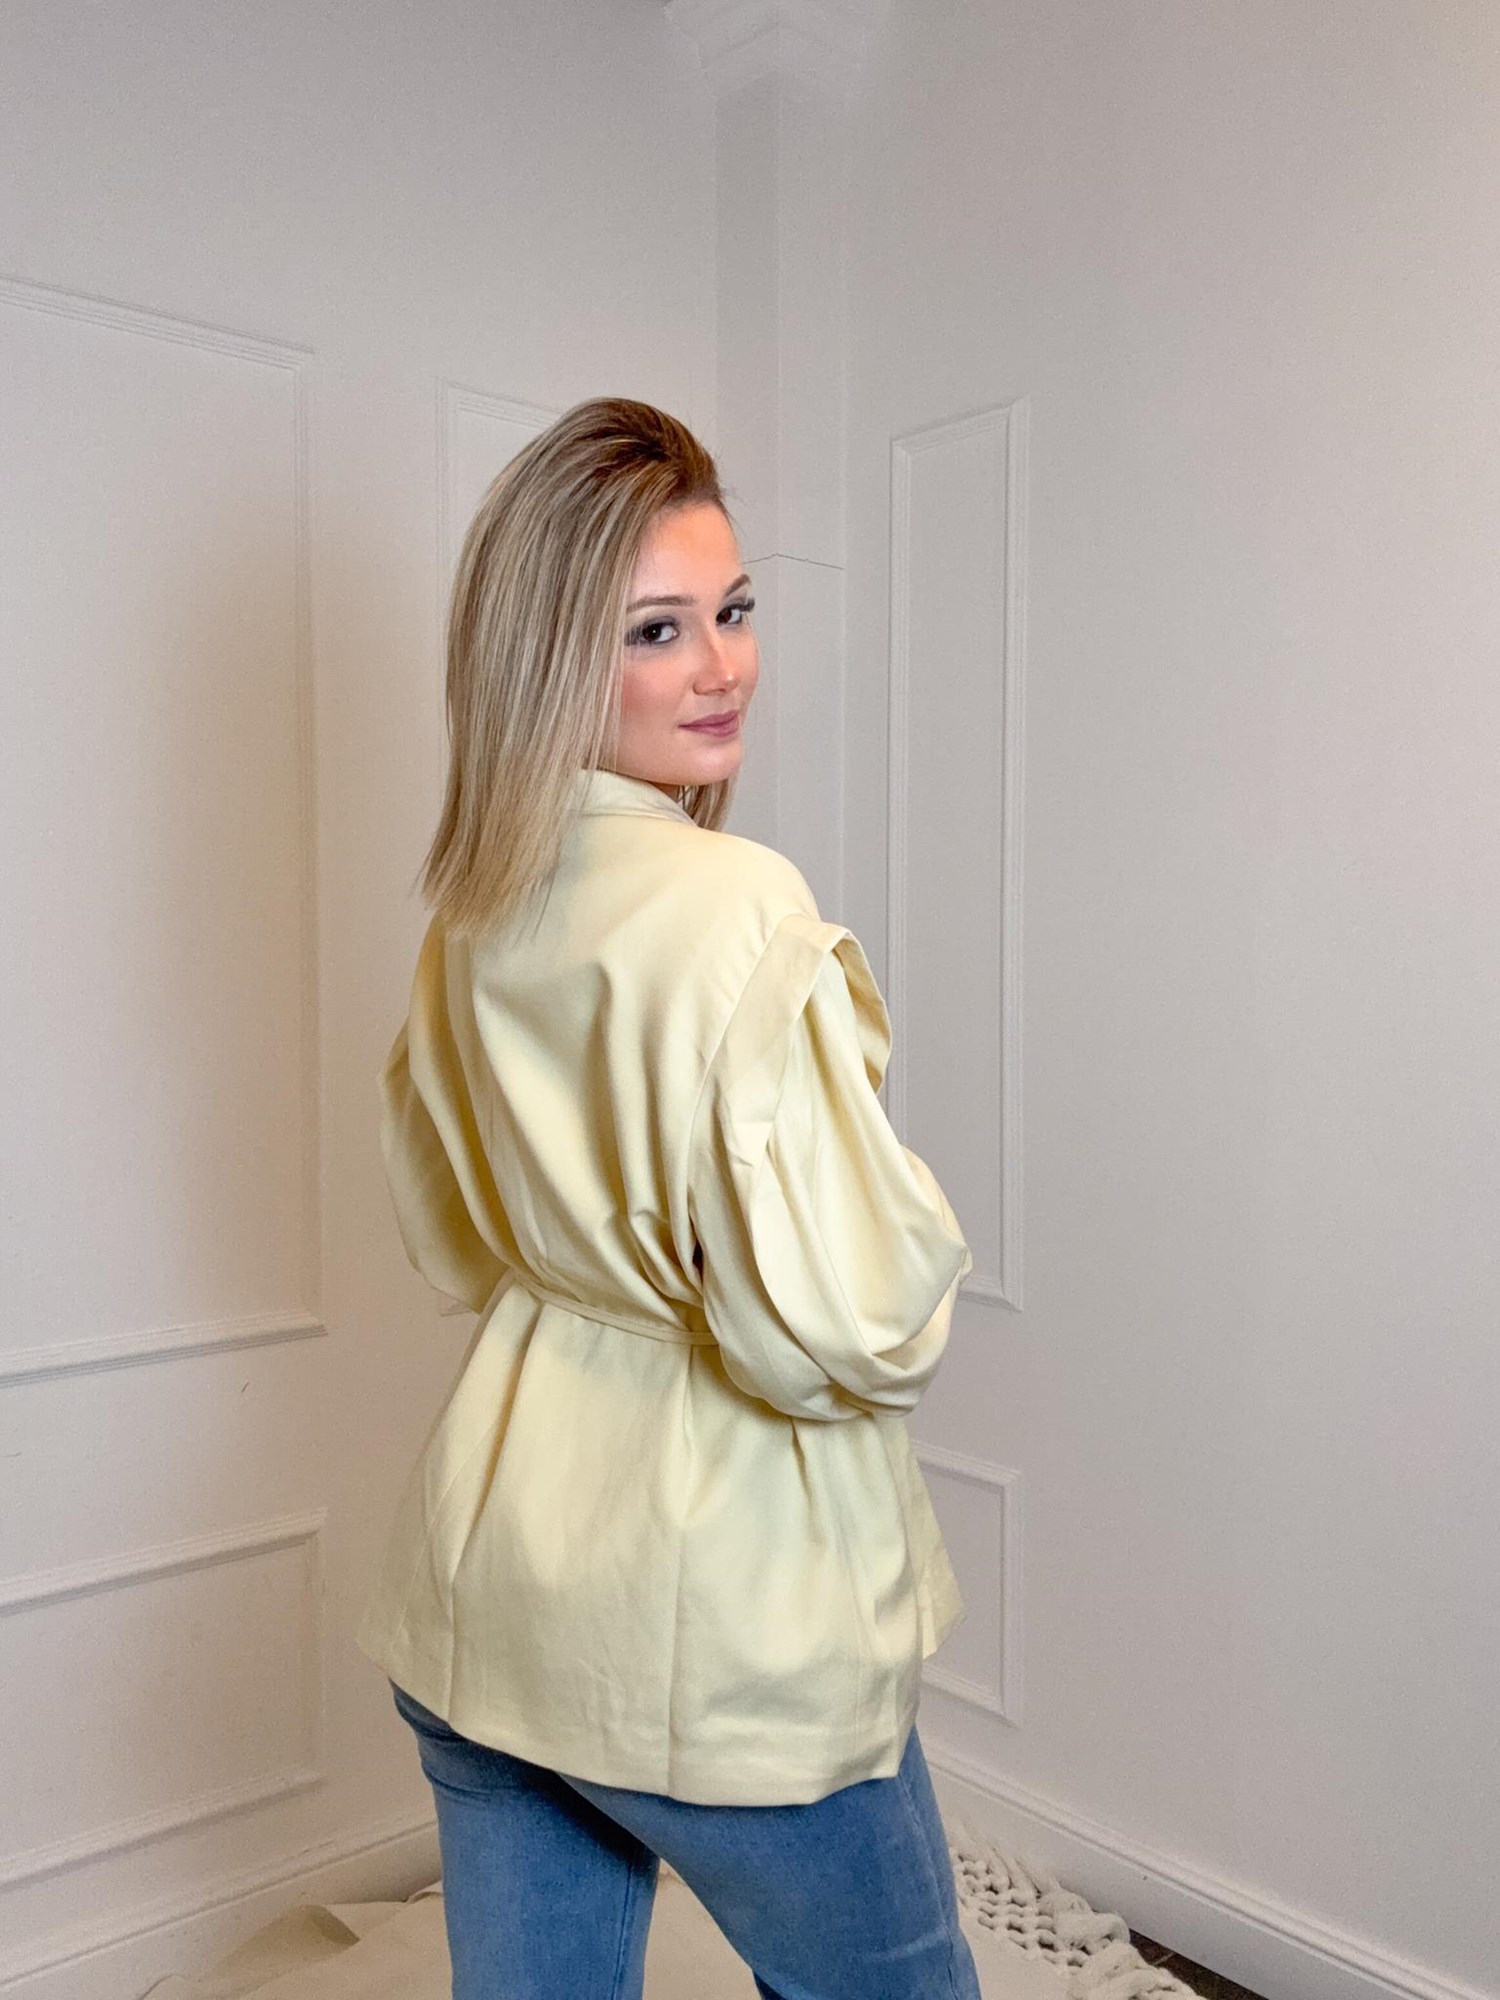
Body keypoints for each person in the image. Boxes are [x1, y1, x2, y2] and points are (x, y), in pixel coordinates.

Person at [356, 397, 982, 1999]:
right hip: (729, 1625)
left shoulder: (472, 908)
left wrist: (617, 1243)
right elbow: (862, 1323)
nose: (723, 667)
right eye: (657, 629)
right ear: (551, 658)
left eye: (734, 609)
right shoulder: (738, 906)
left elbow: (457, 1241)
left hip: (495, 1578)